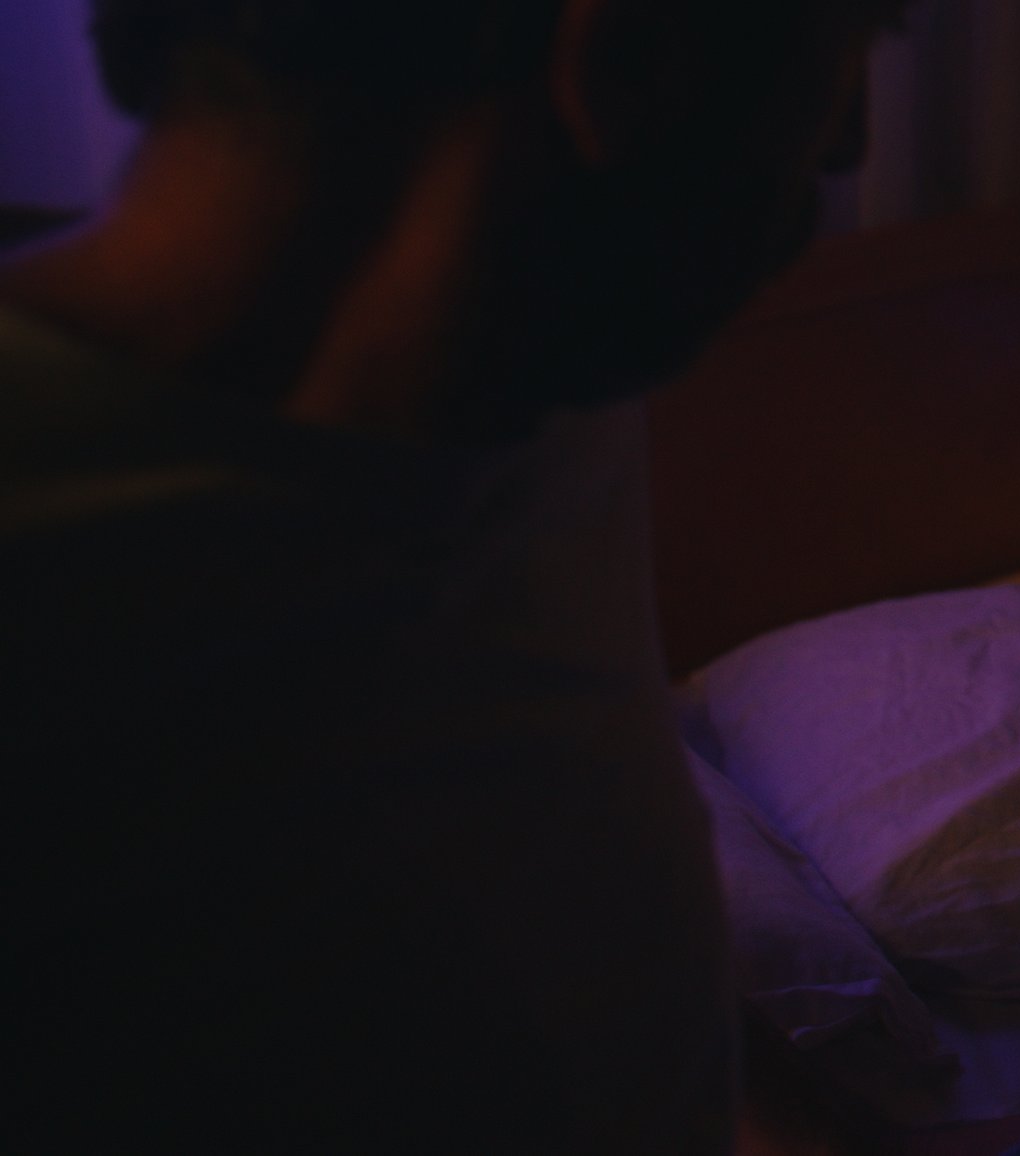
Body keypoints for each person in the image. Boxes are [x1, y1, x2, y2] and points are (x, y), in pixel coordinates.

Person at [2, 1, 903, 1151]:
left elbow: (564, 893)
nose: (847, 145)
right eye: (845, 47)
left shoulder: (530, 370)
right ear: (625, 57)